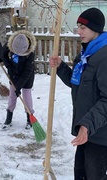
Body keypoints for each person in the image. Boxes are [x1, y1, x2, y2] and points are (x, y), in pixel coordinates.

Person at [50, 8, 107, 180]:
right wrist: (60, 67)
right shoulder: (86, 55)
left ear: (95, 28)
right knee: (80, 174)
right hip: (86, 133)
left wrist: (87, 125)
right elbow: (77, 84)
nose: (78, 31)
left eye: (83, 27)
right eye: (78, 26)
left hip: (100, 136)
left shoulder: (104, 57)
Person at [2, 30, 37, 130]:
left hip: (27, 78)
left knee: (26, 98)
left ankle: (29, 118)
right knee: (12, 96)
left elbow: (27, 72)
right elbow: (3, 54)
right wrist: (9, 66)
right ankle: (9, 117)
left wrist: (19, 86)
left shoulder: (31, 54)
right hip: (13, 74)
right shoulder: (10, 43)